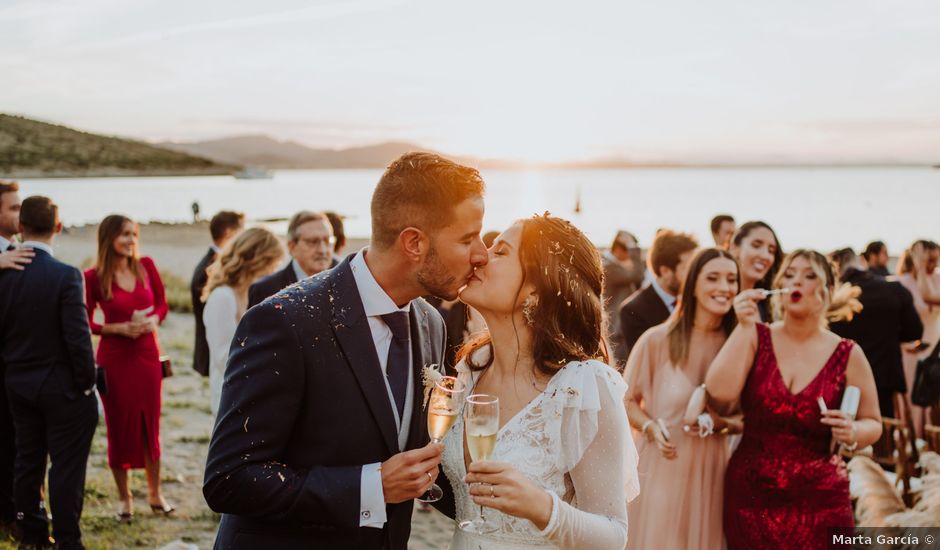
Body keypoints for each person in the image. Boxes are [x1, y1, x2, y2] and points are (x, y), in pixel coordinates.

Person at [203, 152, 488, 549]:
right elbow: (229, 478)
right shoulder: (284, 322)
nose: (481, 254)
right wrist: (369, 487)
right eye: (467, 238)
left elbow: (412, 452)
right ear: (414, 242)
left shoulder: (431, 323)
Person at [444, 214, 639, 549]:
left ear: (536, 287)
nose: (480, 256)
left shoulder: (582, 387)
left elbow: (614, 535)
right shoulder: (471, 370)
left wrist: (541, 507)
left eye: (500, 252)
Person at [706, 250, 882, 549]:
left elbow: (873, 423)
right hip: (751, 497)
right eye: (789, 274)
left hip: (822, 500)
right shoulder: (755, 336)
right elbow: (719, 394)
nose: (796, 280)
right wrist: (744, 325)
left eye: (809, 275)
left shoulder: (849, 353)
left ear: (826, 291)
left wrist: (853, 432)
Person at [624, 248, 741, 550]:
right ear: (693, 285)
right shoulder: (656, 340)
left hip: (713, 473)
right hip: (664, 468)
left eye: (731, 280)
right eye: (713, 278)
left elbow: (749, 417)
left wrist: (721, 423)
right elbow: (626, 402)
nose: (724, 287)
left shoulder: (739, 346)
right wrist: (650, 427)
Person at [0, 196, 98, 550]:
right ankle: (68, 540)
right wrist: (87, 384)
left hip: (18, 385)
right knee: (66, 469)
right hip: (63, 390)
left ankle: (32, 534)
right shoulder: (66, 275)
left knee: (27, 461)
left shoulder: (3, 275)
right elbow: (78, 338)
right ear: (58, 227)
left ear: (21, 228)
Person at [84, 215, 173, 521]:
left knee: (151, 425)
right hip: (115, 358)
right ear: (108, 238)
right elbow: (85, 320)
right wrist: (116, 328)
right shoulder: (93, 276)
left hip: (147, 354)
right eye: (124, 234)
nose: (131, 240)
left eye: (133, 234)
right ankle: (125, 498)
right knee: (119, 427)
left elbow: (163, 304)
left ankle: (155, 493)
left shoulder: (146, 265)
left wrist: (154, 320)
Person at [829, 248, 922, 418]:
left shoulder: (832, 297)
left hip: (840, 379)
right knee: (882, 432)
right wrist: (891, 335)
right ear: (861, 263)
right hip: (883, 376)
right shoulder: (893, 289)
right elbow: (915, 331)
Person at [202, 228, 284, 415]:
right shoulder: (223, 297)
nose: (274, 270)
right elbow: (222, 357)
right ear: (258, 260)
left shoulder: (252, 293)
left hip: (254, 390)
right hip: (231, 395)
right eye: (273, 263)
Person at [0, 180, 34, 534]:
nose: (20, 214)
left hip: (21, 368)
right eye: (12, 207)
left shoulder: (22, 249)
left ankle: (18, 512)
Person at [619, 229, 697, 359]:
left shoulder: (696, 298)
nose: (694, 276)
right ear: (665, 271)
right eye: (688, 269)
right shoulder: (633, 310)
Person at [191, 211, 245, 377]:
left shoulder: (217, 261)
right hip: (214, 349)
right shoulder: (210, 268)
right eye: (242, 230)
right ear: (229, 233)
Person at [896, 240, 940, 437]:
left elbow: (928, 296)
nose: (933, 265)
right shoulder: (900, 284)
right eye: (929, 260)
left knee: (933, 404)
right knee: (912, 402)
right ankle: (913, 447)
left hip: (934, 351)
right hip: (910, 352)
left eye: (936, 260)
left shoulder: (937, 279)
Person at [247, 210, 335, 308]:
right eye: (313, 242)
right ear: (292, 247)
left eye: (328, 241)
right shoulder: (265, 290)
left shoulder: (345, 281)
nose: (322, 250)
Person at [602, 230, 645, 367]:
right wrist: (633, 247)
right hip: (615, 326)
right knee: (620, 367)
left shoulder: (612, 265)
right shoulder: (609, 267)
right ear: (619, 249)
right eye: (628, 252)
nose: (630, 258)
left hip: (617, 325)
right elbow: (638, 275)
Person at [729, 221, 783, 322]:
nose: (765, 256)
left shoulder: (769, 308)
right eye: (756, 245)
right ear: (734, 248)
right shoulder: (720, 300)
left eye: (771, 251)